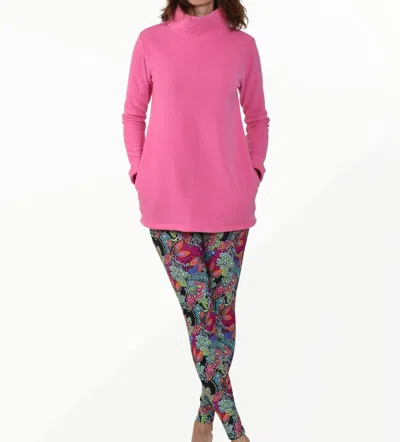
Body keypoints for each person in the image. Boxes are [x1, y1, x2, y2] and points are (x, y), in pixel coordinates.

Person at [121, 1, 270, 440]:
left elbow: (258, 119)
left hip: (230, 205)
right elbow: (133, 115)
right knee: (201, 318)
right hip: (168, 205)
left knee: (220, 319)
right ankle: (238, 433)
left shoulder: (243, 47)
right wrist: (140, 172)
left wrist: (253, 172)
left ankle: (204, 421)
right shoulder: (150, 42)